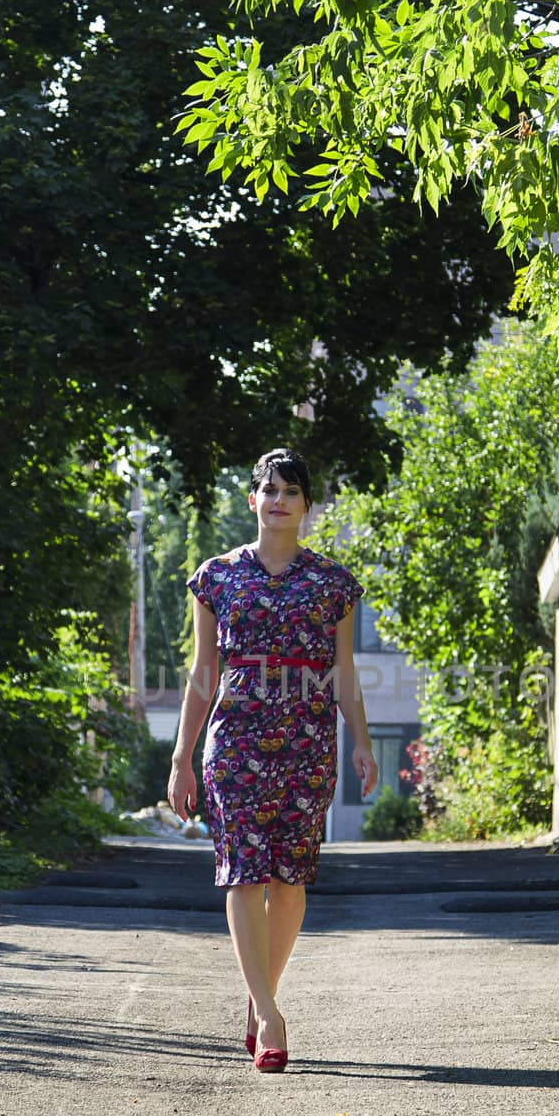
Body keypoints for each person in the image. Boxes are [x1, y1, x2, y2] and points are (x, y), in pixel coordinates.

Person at [167, 448, 378, 1073]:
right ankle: (272, 1013)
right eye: (269, 489)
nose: (280, 499)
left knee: (290, 881)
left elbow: (343, 670)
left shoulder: (333, 583)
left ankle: (259, 1006)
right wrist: (182, 759)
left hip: (308, 741)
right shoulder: (216, 577)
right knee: (243, 873)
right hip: (233, 740)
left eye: (292, 490)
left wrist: (362, 739)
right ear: (252, 500)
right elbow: (203, 671)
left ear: (307, 505)